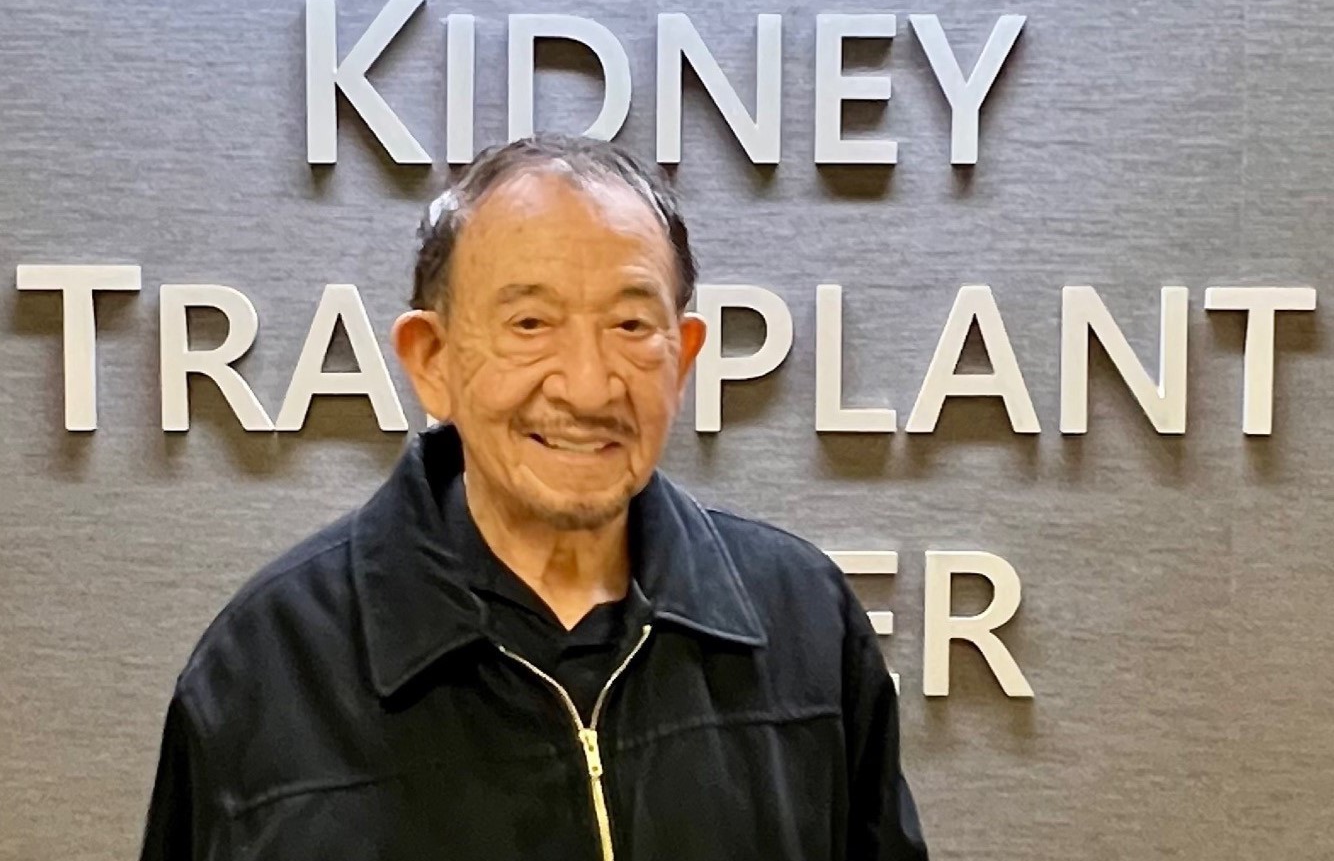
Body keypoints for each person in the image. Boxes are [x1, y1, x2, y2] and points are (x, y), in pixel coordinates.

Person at [138, 133, 930, 861]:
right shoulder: (267, 672)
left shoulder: (806, 626)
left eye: (629, 323)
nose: (587, 386)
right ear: (431, 358)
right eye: (530, 322)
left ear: (682, 356)